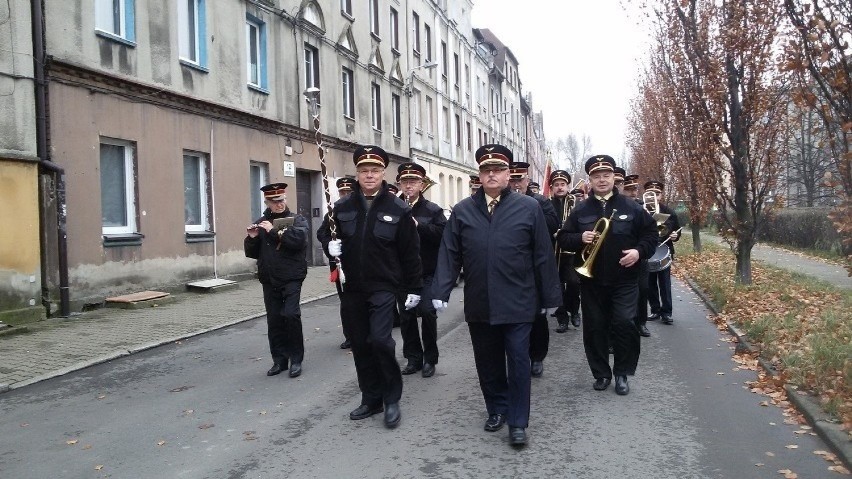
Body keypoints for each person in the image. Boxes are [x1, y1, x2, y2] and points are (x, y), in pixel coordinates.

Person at [432, 144, 561, 447]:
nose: (492, 175)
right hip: (481, 301)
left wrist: (548, 298)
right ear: (479, 175)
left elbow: (543, 254)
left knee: (518, 360)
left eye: (498, 170)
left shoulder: (528, 208)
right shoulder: (463, 210)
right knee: (487, 361)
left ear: (508, 175)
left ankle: (517, 422)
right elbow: (450, 253)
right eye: (486, 170)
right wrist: (440, 289)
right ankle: (497, 408)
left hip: (519, 301)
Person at [318, 145, 422, 429]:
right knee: (362, 344)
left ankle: (391, 398)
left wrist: (414, 288)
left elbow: (410, 253)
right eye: (364, 171)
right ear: (357, 174)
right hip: (352, 288)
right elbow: (325, 233)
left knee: (380, 341)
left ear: (383, 173)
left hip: (384, 287)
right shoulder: (342, 207)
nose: (369, 175)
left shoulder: (397, 208)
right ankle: (371, 397)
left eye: (374, 170)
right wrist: (329, 246)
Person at [557, 155, 657, 396]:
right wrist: (579, 238)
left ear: (614, 178)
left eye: (606, 175)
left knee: (624, 324)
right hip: (591, 281)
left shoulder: (631, 207)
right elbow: (563, 237)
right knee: (595, 328)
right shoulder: (581, 209)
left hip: (625, 279)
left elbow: (650, 236)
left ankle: (623, 372)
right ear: (590, 180)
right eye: (596, 176)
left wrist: (638, 252)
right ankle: (601, 373)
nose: (601, 180)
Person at [244, 183, 309, 378]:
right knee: (274, 320)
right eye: (274, 201)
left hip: (291, 276)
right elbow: (252, 253)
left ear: (285, 199)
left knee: (290, 315)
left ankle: (296, 359)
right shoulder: (262, 221)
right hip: (269, 278)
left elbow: (298, 241)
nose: (279, 204)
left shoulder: (297, 220)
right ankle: (279, 360)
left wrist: (273, 230)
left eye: (281, 200)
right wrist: (252, 238)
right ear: (267, 202)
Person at [508, 161, 559, 378]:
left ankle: (537, 356)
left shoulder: (540, 202)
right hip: (510, 267)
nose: (516, 183)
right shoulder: (502, 203)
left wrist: (527, 205)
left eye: (520, 179)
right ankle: (516, 356)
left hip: (533, 266)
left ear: (527, 181)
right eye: (513, 180)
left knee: (536, 316)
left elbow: (552, 225)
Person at [396, 162, 447, 378]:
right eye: (405, 182)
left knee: (427, 312)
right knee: (406, 317)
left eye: (413, 182)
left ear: (421, 184)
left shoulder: (433, 210)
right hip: (402, 273)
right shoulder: (394, 207)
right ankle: (413, 358)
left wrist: (419, 226)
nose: (409, 186)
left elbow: (442, 235)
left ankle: (430, 359)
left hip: (427, 272)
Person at [318, 177, 356, 350]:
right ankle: (350, 335)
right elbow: (322, 233)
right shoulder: (334, 212)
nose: (345, 195)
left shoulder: (361, 209)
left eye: (349, 192)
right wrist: (329, 246)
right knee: (346, 301)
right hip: (341, 265)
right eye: (342, 192)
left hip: (361, 263)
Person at [644, 180, 681, 325]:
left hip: (664, 251)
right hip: (648, 251)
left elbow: (677, 230)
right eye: (650, 193)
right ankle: (655, 310)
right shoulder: (641, 210)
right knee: (649, 283)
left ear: (661, 195)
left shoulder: (669, 212)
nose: (654, 196)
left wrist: (675, 236)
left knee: (665, 283)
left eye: (657, 194)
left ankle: (667, 312)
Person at [550, 169, 582, 333]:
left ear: (567, 186)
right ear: (552, 187)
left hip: (572, 251)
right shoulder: (547, 204)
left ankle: (575, 311)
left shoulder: (577, 203)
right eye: (556, 185)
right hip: (554, 251)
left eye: (563, 184)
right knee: (558, 286)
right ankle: (563, 318)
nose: (560, 187)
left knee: (574, 283)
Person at [623, 175, 652, 337]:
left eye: (635, 189)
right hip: (621, 256)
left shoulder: (642, 207)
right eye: (629, 189)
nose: (633, 193)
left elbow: (651, 232)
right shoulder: (620, 207)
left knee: (643, 289)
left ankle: (641, 322)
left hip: (640, 256)